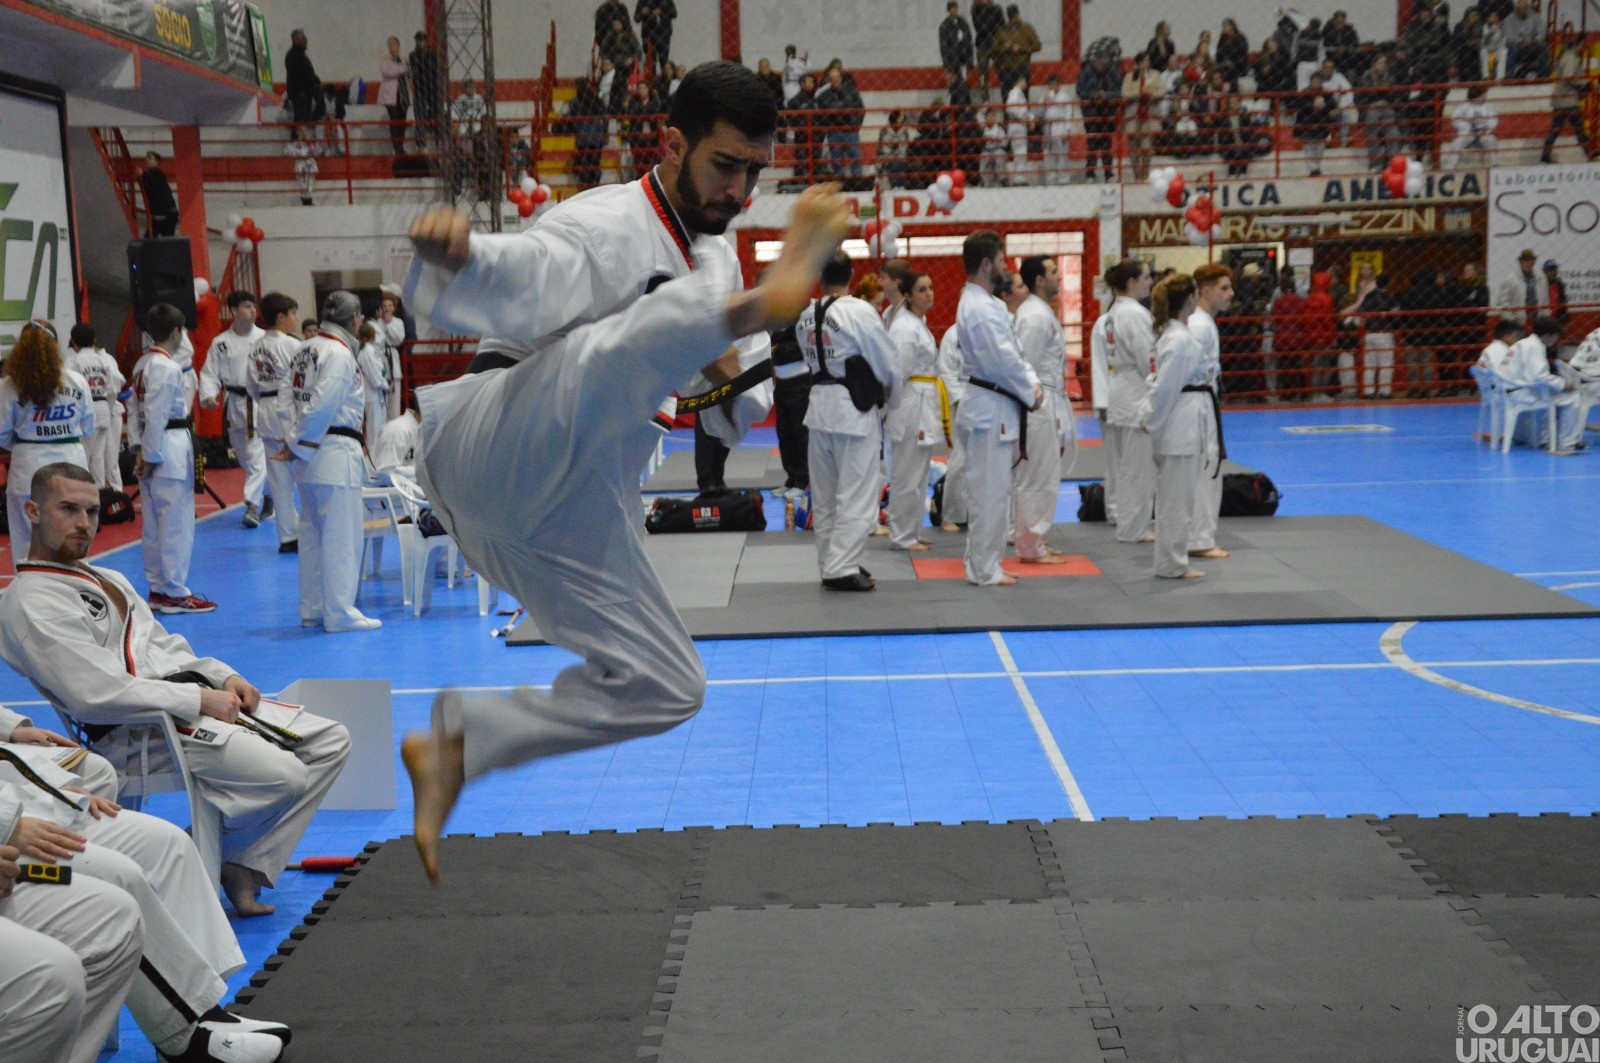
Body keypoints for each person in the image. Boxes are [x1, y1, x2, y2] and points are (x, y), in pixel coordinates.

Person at [396, 62, 849, 881]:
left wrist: (720, 363)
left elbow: (723, 412)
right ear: (672, 144)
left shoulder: (712, 258)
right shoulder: (606, 222)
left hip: (568, 500)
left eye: (754, 171)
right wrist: (467, 258)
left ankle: (462, 742)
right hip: (493, 437)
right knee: (609, 352)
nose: (740, 190)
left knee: (668, 682)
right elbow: (529, 272)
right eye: (725, 165)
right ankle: (761, 306)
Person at [0, 462, 351, 923]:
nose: (84, 523)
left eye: (91, 510)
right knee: (284, 776)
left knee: (331, 742)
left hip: (183, 706)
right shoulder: (29, 601)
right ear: (33, 511)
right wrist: (198, 701)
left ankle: (240, 862)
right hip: (138, 732)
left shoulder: (107, 579)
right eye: (68, 509)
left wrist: (222, 676)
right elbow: (94, 693)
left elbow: (164, 647)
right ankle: (188, 863)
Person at [798, 252, 899, 587]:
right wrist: (890, 397)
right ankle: (842, 567)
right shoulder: (859, 311)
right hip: (854, 412)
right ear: (852, 275)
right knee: (857, 494)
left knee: (825, 497)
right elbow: (886, 362)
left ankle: (832, 562)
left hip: (818, 410)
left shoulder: (804, 316)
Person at [283, 292, 380, 633]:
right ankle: (339, 612)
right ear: (354, 318)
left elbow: (285, 398)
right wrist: (300, 443)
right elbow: (322, 406)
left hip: (308, 457)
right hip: (333, 451)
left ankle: (313, 606)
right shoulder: (339, 353)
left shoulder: (304, 348)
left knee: (312, 534)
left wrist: (292, 442)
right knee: (340, 536)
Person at [956, 230, 1042, 587]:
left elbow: (1016, 353)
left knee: (995, 493)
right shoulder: (977, 308)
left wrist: (1031, 382)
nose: (1008, 267)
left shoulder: (986, 303)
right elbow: (1002, 361)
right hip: (989, 409)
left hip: (996, 406)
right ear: (987, 264)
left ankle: (985, 563)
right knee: (988, 495)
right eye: (1003, 261)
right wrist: (1030, 391)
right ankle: (983, 568)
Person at [127, 306, 212, 613]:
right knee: (175, 524)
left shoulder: (142, 364)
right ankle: (175, 592)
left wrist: (138, 448)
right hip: (167, 451)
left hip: (152, 449)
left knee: (153, 526)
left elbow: (136, 413)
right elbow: (157, 413)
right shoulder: (167, 367)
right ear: (176, 332)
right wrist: (148, 454)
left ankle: (159, 589)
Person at [0, 321, 94, 570]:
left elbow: (1, 435)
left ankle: (30, 602)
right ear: (55, 347)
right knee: (72, 539)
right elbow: (87, 427)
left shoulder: (10, 386)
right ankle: (73, 598)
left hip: (28, 468)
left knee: (26, 544)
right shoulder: (76, 381)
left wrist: (28, 440)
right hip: (71, 466)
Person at [1143, 272, 1208, 580]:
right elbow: (1165, 388)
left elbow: (1159, 384)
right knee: (1175, 501)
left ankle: (1173, 560)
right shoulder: (1179, 339)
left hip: (1180, 420)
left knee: (1177, 499)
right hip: (1178, 423)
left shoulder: (1174, 335)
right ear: (1190, 298)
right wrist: (1151, 421)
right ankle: (1171, 563)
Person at [1009, 256, 1070, 563]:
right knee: (1036, 476)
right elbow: (1025, 365)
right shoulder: (1034, 315)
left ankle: (1038, 539)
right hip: (1037, 400)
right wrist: (1032, 400)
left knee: (1047, 474)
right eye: (1053, 272)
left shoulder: (1041, 312)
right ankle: (1030, 546)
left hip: (1049, 398)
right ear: (1039, 280)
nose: (1059, 276)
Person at [198, 291, 268, 529]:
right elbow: (209, 373)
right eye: (247, 306)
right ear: (234, 311)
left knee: (257, 453)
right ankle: (265, 494)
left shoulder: (265, 339)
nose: (252, 310)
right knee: (244, 455)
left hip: (258, 401)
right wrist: (208, 394)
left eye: (253, 306)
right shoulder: (221, 342)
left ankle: (252, 505)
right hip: (234, 403)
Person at [1100, 259, 1158, 542]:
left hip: (1124, 388)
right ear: (1131, 283)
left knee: (1130, 466)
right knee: (1138, 468)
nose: (1150, 282)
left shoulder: (1116, 312)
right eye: (1146, 277)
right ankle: (1133, 527)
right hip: (1135, 391)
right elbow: (1147, 358)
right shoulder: (1134, 314)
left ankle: (1131, 523)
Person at [885, 272, 942, 552]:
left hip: (922, 401)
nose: (929, 293)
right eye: (922, 289)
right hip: (909, 405)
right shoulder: (905, 329)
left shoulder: (918, 323)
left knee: (919, 473)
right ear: (907, 295)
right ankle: (901, 535)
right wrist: (890, 412)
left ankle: (912, 531)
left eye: (931, 287)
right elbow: (897, 374)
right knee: (907, 474)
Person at [250, 292, 303, 553]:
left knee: (279, 481)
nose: (297, 319)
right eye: (294, 313)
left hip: (264, 410)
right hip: (287, 411)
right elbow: (302, 383)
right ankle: (311, 531)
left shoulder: (256, 346)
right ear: (281, 316)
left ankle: (288, 537)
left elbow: (250, 385)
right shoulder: (292, 345)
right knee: (304, 473)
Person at [1186, 263, 1232, 561]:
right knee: (1206, 469)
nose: (1231, 294)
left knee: (1202, 468)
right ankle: (1200, 539)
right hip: (1197, 403)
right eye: (1224, 288)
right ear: (1205, 291)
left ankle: (1197, 534)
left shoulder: (1202, 322)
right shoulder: (1199, 324)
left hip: (1200, 401)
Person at [1502, 316, 1582, 451]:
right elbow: (1539, 376)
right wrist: (1563, 384)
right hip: (1522, 392)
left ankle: (1534, 437)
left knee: (1554, 394)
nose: (1556, 340)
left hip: (1510, 389)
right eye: (1555, 336)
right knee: (1572, 397)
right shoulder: (1535, 347)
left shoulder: (1523, 343)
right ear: (1546, 336)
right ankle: (1567, 443)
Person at [65, 325, 125, 491]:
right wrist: (107, 406)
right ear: (94, 341)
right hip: (104, 408)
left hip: (86, 410)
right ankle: (98, 491)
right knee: (98, 455)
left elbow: (67, 390)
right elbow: (114, 389)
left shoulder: (73, 361)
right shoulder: (104, 360)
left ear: (73, 342)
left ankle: (82, 491)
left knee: (83, 455)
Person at [1544, 37, 1596, 163]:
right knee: (1578, 128)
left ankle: (1546, 154)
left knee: (1558, 128)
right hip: (1568, 99)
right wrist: (1583, 83)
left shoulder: (1567, 56)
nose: (1583, 48)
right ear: (1577, 45)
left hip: (1563, 98)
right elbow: (1569, 76)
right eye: (1582, 45)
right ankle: (1589, 152)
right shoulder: (1570, 57)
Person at [1077, 50, 1120, 182]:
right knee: (1092, 145)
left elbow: (1119, 90)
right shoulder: (1085, 72)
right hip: (1092, 113)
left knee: (1107, 145)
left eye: (1105, 63)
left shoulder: (1112, 72)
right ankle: (1090, 173)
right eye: (1100, 62)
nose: (1102, 65)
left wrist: (1106, 95)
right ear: (1095, 61)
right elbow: (1080, 90)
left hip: (1108, 113)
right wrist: (1094, 95)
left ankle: (1108, 173)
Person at [815, 66, 864, 180]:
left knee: (855, 158)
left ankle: (858, 181)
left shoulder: (851, 92)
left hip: (850, 131)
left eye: (837, 77)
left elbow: (860, 109)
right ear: (829, 80)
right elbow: (820, 114)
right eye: (832, 77)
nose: (835, 80)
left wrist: (855, 126)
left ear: (841, 77)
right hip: (834, 131)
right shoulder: (824, 95)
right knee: (836, 160)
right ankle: (840, 182)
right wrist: (829, 126)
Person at [1268, 270, 1309, 399]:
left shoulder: (1280, 301)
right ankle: (1302, 391)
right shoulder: (1300, 301)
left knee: (1284, 366)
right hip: (1297, 337)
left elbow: (1273, 318)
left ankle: (1287, 393)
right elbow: (1305, 319)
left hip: (1282, 338)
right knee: (1298, 364)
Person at [1121, 53, 1161, 181]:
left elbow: (1162, 90)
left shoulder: (1155, 75)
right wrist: (1138, 93)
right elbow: (1124, 93)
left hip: (1149, 115)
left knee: (1147, 147)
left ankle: (1145, 173)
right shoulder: (1130, 76)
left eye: (1148, 60)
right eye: (1144, 61)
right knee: (1134, 148)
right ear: (1138, 63)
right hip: (1134, 115)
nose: (1147, 63)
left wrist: (1151, 94)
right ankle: (1137, 174)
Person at [992, 4, 1041, 101]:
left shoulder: (1027, 28)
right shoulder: (1002, 30)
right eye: (1011, 17)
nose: (1013, 20)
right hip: (1006, 68)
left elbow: (1037, 46)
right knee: (1007, 97)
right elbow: (994, 49)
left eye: (1014, 16)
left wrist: (1021, 48)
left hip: (1022, 66)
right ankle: (1008, 116)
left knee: (1023, 97)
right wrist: (1004, 47)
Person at [1293, 72, 1338, 176]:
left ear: (1321, 82)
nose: (1316, 83)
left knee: (1320, 148)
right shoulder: (1304, 93)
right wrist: (1316, 107)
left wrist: (1326, 108)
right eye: (1314, 81)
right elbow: (1302, 107)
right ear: (1310, 81)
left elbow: (1333, 105)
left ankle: (1316, 167)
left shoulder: (1326, 93)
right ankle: (1313, 169)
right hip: (1307, 124)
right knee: (1309, 148)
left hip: (1321, 125)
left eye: (1318, 81)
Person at [1443, 85, 1497, 170]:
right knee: (1458, 142)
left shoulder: (1487, 106)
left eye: (1483, 96)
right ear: (1474, 96)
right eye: (1481, 96)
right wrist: (1467, 126)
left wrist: (1487, 127)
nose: (1483, 98)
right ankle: (1449, 167)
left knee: (1491, 140)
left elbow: (1493, 120)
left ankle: (1492, 166)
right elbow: (1455, 120)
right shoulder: (1464, 106)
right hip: (1467, 133)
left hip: (1482, 133)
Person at [356, 322, 390, 448]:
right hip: (372, 394)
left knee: (379, 426)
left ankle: (378, 456)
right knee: (374, 428)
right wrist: (384, 384)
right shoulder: (367, 352)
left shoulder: (369, 350)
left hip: (376, 394)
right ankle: (373, 460)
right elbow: (374, 376)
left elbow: (380, 371)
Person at [284, 28, 323, 135]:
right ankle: (297, 143)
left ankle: (302, 142)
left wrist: (315, 81)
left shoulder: (300, 55)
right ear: (296, 40)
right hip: (300, 94)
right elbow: (296, 76)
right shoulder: (293, 55)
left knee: (304, 121)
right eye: (303, 37)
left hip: (305, 93)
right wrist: (309, 85)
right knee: (300, 122)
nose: (306, 39)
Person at [1498, 249, 1551, 326]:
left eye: (1530, 260)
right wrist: (1511, 320)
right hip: (1518, 322)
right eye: (1525, 260)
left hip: (1539, 321)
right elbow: (1503, 302)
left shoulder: (1541, 277)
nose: (1528, 263)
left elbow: (1546, 299)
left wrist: (1546, 317)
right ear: (1520, 262)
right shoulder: (1511, 279)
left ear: (1534, 262)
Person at [378, 36, 410, 155]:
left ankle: (400, 145)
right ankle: (397, 148)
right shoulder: (384, 59)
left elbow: (409, 75)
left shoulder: (404, 58)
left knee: (402, 120)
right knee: (394, 118)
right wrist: (403, 70)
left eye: (394, 44)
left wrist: (410, 70)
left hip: (403, 92)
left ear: (398, 45)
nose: (392, 47)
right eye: (390, 45)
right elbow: (387, 72)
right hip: (390, 94)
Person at [372, 406, 421, 484]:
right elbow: (386, 472)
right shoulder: (397, 429)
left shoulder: (425, 432)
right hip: (387, 492)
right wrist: (424, 475)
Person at [408, 32, 439, 149]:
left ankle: (437, 139)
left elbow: (432, 69)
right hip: (420, 89)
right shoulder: (413, 55)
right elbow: (418, 69)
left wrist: (421, 67)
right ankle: (421, 143)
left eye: (422, 40)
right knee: (419, 117)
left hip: (432, 89)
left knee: (436, 114)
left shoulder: (432, 55)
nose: (420, 42)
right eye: (418, 40)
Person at [971, 0, 1006, 100]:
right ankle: (985, 99)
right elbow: (979, 26)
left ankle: (1005, 95)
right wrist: (993, 30)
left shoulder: (997, 8)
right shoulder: (975, 9)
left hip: (996, 43)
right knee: (982, 72)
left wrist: (994, 33)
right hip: (983, 43)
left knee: (1002, 70)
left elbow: (1002, 24)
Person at [139, 153, 179, 237]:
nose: (146, 159)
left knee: (150, 240)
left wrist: (143, 174)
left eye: (149, 158)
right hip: (164, 213)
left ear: (156, 162)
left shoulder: (157, 173)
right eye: (146, 157)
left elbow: (155, 182)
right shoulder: (151, 175)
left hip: (164, 213)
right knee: (166, 239)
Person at [634, 0, 676, 77]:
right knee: (650, 62)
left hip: (664, 36)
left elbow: (674, 13)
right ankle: (652, 85)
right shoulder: (642, 2)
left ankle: (665, 83)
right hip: (648, 37)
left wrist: (662, 12)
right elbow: (636, 18)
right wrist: (642, 12)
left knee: (664, 61)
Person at [940, 1, 974, 87]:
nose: (955, 10)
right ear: (948, 11)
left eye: (956, 8)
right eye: (952, 8)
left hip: (964, 58)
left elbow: (969, 41)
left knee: (964, 84)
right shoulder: (944, 26)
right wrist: (947, 65)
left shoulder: (963, 23)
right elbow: (944, 47)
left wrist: (970, 60)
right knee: (954, 85)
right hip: (952, 60)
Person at [1003, 79, 1029, 184]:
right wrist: (1023, 117)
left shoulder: (1018, 93)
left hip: (1018, 124)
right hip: (1017, 124)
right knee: (1020, 151)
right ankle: (1019, 178)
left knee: (1020, 151)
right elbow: (1011, 108)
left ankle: (1019, 177)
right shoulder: (1015, 92)